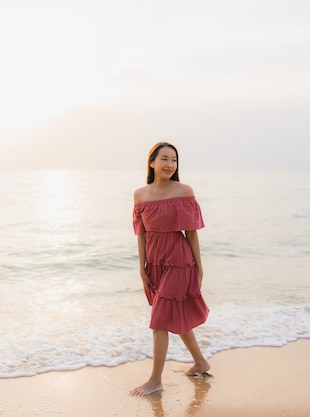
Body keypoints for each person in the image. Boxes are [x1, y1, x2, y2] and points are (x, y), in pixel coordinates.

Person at [130, 142, 210, 396]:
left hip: (179, 261)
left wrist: (199, 267)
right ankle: (200, 362)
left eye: (174, 160)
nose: (169, 164)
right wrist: (142, 267)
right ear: (152, 162)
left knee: (160, 321)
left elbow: (192, 233)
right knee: (172, 312)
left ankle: (155, 380)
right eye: (164, 159)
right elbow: (141, 234)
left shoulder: (184, 191)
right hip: (155, 263)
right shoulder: (140, 194)